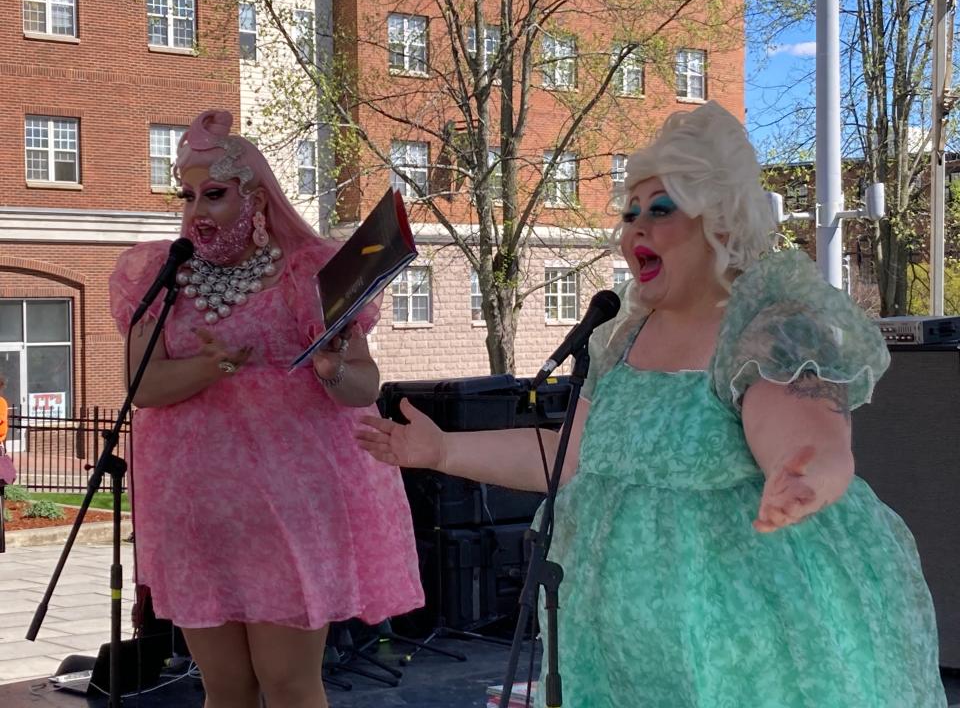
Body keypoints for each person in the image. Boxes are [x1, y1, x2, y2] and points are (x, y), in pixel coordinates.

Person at [356, 101, 946, 706]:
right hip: (618, 649)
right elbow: (572, 457)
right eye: (630, 212)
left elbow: (801, 426)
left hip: (739, 636)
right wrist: (440, 449)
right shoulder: (622, 339)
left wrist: (802, 473)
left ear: (718, 221)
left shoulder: (765, 325)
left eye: (660, 210)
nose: (635, 227)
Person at [109, 110, 423, 708]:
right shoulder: (158, 274)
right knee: (225, 688)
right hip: (194, 514)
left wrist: (331, 368)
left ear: (256, 197)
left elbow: (364, 385)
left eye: (216, 194)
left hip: (288, 514)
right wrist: (214, 366)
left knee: (288, 684)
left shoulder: (309, 273)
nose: (197, 210)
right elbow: (141, 386)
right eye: (188, 194)